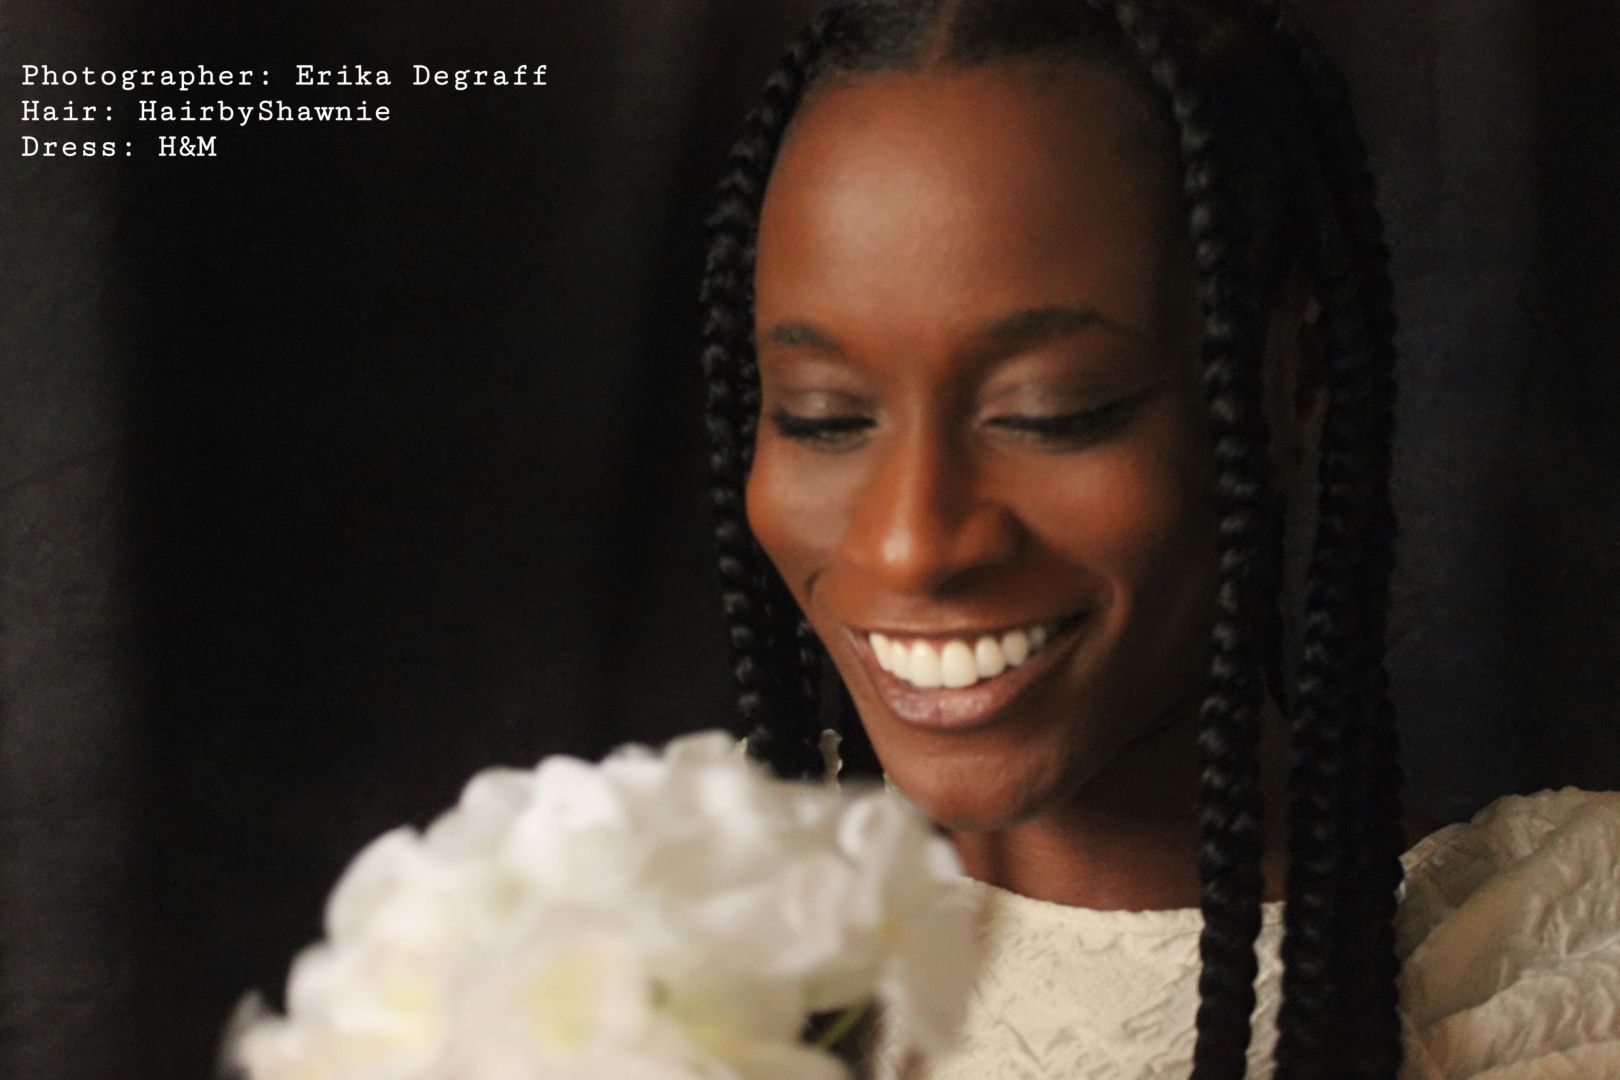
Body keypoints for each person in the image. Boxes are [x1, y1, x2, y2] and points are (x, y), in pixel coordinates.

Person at [698, 1, 1620, 1076]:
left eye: (1052, 412)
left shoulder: (1550, 983)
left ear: (1291, 381)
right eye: (822, 416)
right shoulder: (672, 897)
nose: (911, 544)